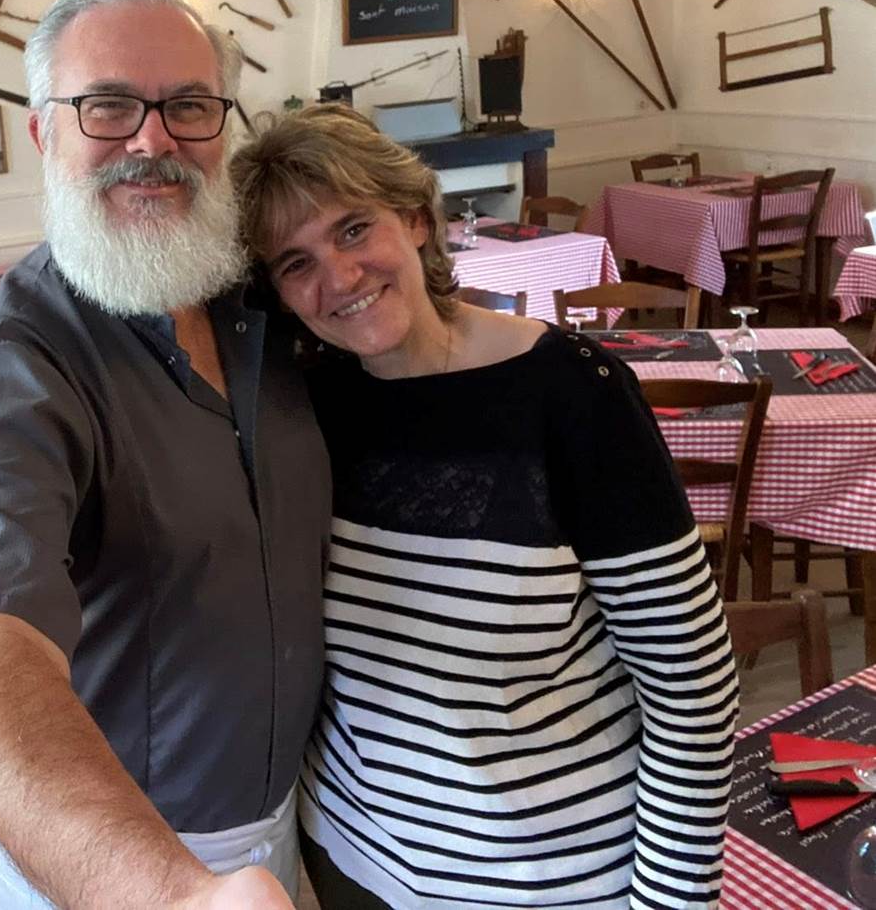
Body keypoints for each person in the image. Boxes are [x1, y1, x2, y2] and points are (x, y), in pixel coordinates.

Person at [230, 104, 739, 910]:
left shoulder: (572, 393)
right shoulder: (305, 411)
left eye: (355, 230)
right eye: (296, 263)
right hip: (355, 864)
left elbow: (693, 693)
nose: (338, 278)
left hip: (555, 882)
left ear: (418, 219)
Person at [0, 0, 331, 910]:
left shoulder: (267, 307)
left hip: (283, 818)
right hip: (104, 855)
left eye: (188, 105)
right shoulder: (9, 365)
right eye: (106, 107)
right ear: (42, 132)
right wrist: (171, 894)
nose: (153, 142)